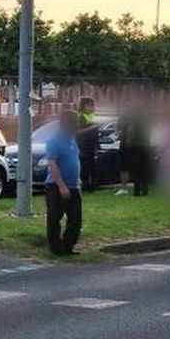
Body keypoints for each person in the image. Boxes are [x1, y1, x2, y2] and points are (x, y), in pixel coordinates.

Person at [43, 108, 83, 256]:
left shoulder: (72, 139)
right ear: (67, 124)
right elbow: (52, 165)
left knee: (75, 219)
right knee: (54, 218)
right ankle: (56, 249)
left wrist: (78, 179)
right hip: (56, 186)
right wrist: (61, 187)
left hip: (73, 186)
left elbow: (74, 159)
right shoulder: (54, 141)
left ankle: (68, 246)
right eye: (75, 123)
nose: (77, 126)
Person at [117, 106, 153, 197]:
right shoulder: (145, 122)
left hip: (136, 147)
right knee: (144, 169)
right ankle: (145, 190)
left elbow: (130, 132)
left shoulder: (133, 122)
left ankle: (137, 191)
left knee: (136, 170)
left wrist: (128, 142)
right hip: (145, 146)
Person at [75, 96, 100, 192]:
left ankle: (92, 185)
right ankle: (85, 186)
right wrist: (91, 128)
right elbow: (77, 132)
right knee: (84, 167)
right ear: (86, 106)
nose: (94, 108)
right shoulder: (81, 116)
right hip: (83, 146)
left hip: (91, 146)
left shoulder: (91, 116)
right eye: (92, 105)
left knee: (91, 166)